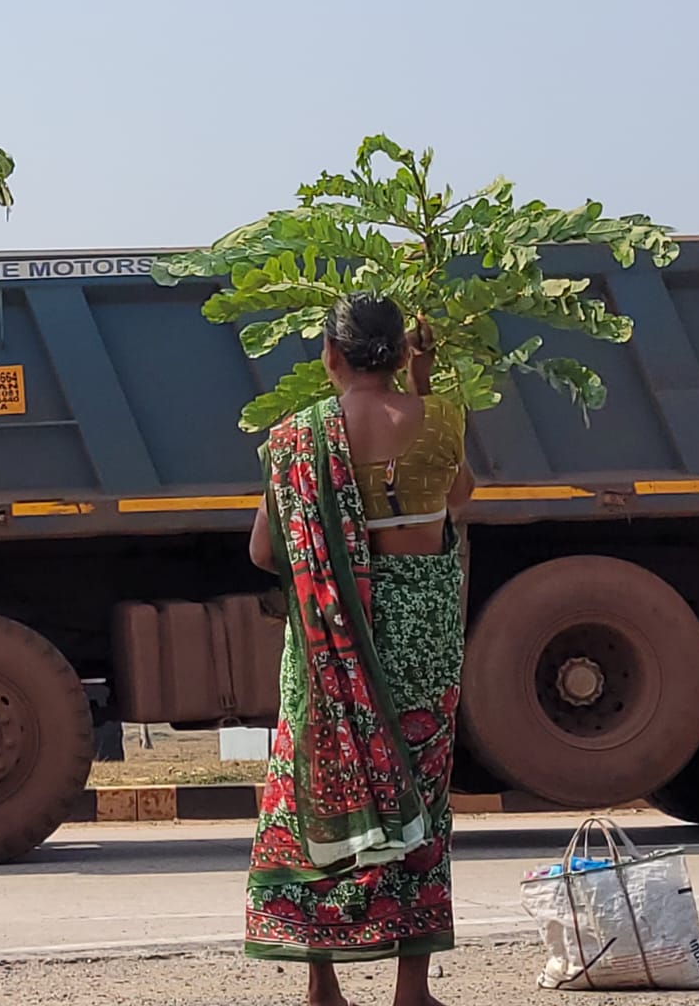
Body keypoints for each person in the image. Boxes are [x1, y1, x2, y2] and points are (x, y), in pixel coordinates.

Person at [244, 293, 474, 1006]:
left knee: (320, 788)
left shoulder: (295, 441)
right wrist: (424, 385)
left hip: (328, 639)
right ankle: (412, 987)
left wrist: (330, 557)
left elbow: (261, 551)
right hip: (423, 639)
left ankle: (323, 985)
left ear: (331, 357)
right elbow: (460, 498)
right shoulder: (438, 422)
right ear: (405, 352)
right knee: (421, 802)